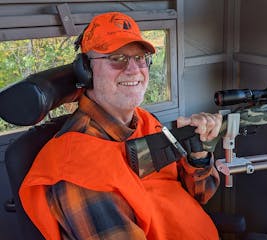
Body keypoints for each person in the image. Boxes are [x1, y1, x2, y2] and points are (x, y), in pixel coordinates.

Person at [19, 12, 222, 240]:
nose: (134, 70)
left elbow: (201, 193)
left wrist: (199, 152)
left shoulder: (145, 121)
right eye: (117, 58)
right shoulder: (76, 167)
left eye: (140, 58)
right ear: (86, 70)